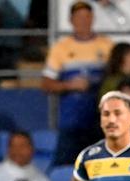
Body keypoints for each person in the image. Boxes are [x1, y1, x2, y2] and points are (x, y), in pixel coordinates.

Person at [42, 1, 113, 166]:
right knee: (65, 169)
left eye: (87, 16)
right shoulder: (60, 48)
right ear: (71, 20)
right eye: (78, 17)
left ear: (93, 18)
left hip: (100, 121)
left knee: (103, 167)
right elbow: (46, 84)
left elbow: (117, 79)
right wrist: (70, 85)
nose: (83, 21)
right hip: (72, 123)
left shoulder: (107, 45)